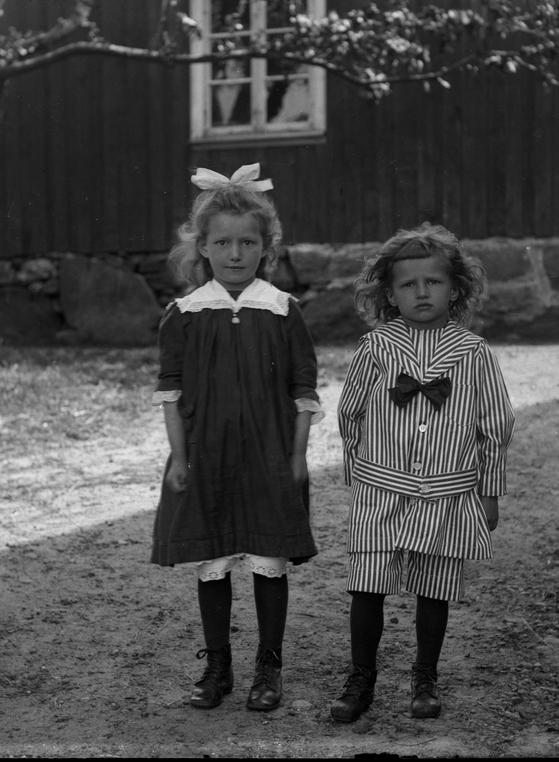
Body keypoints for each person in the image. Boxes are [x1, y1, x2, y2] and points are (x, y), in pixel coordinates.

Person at [150, 163, 322, 713]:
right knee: (214, 558)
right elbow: (171, 394)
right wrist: (179, 456)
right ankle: (217, 664)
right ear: (202, 247)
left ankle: (268, 666)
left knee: (269, 560)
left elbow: (303, 389)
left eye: (247, 242)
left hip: (270, 457)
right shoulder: (183, 315)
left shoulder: (282, 311)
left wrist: (296, 456)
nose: (234, 254)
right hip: (207, 459)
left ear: (265, 248)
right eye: (222, 242)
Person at [330, 222, 515, 722]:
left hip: (447, 494)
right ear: (389, 294)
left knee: (434, 586)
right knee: (367, 582)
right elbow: (350, 413)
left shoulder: (473, 354)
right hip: (381, 492)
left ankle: (425, 678)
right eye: (408, 285)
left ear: (455, 288)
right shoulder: (377, 348)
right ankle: (360, 679)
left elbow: (494, 423)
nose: (421, 292)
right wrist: (360, 475)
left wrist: (488, 490)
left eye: (432, 282)